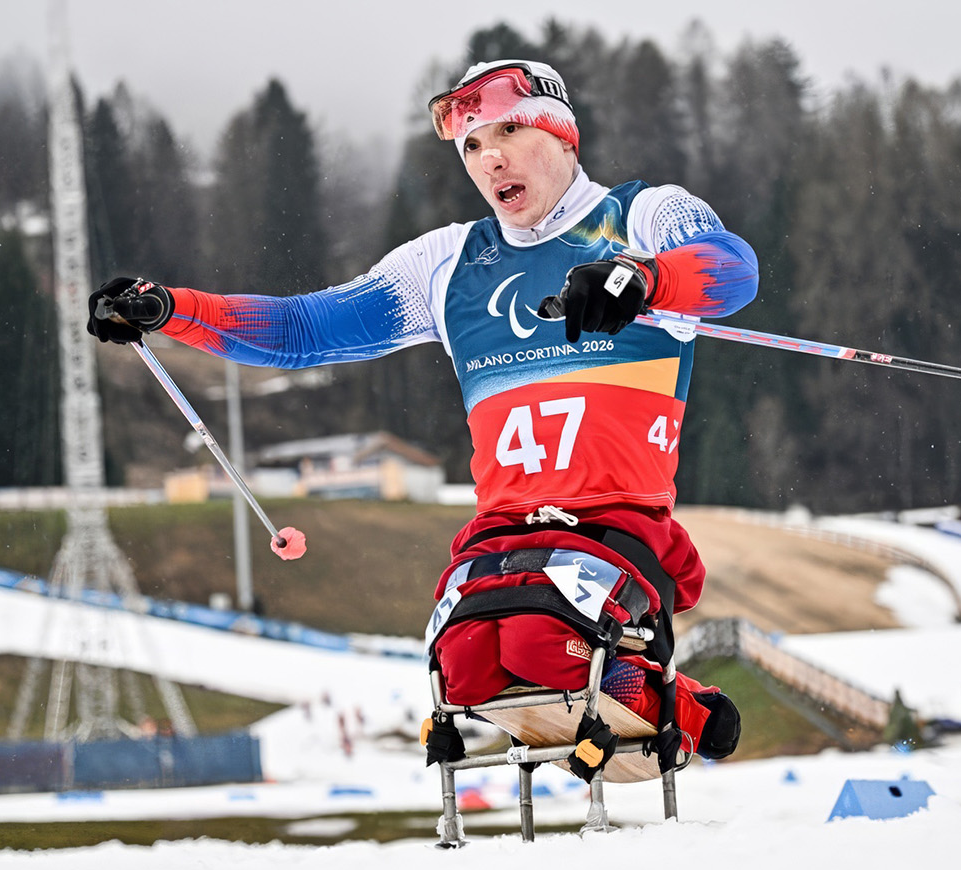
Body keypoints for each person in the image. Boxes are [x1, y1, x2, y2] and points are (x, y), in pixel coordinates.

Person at [87, 60, 757, 775]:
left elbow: (731, 269)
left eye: (509, 131)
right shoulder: (447, 263)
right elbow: (303, 330)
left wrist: (646, 279)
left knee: (539, 642)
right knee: (464, 660)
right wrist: (171, 309)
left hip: (616, 517)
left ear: (564, 135)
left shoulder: (643, 216)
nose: (490, 158)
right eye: (472, 145)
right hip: (503, 528)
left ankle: (687, 709)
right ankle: (625, 694)